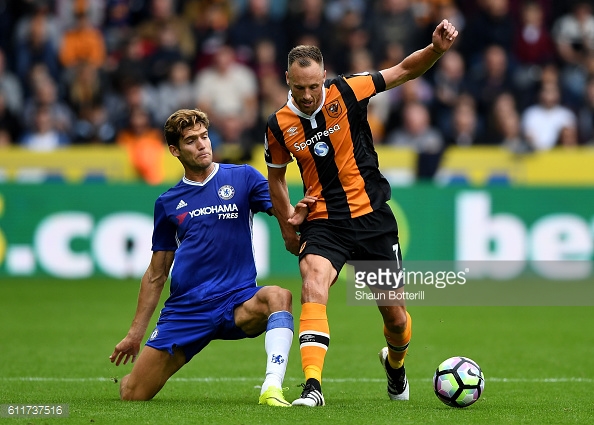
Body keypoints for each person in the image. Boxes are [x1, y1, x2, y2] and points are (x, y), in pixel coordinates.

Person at [265, 19, 458, 406]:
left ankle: (395, 366)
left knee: (397, 320)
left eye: (313, 86)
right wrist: (287, 226)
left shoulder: (348, 90)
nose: (306, 95)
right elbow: (277, 177)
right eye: (298, 87)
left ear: (324, 75)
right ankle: (313, 386)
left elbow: (403, 70)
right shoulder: (278, 125)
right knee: (313, 285)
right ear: (287, 79)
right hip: (324, 223)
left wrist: (435, 50)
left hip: (372, 220)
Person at [110, 108, 299, 406]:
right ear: (175, 150)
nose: (202, 144)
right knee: (133, 394)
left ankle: (271, 388)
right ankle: (140, 370)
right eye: (190, 140)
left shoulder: (243, 177)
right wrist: (134, 334)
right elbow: (156, 273)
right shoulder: (168, 203)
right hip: (187, 311)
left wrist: (298, 217)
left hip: (237, 301)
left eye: (204, 136)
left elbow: (282, 210)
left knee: (279, 297)